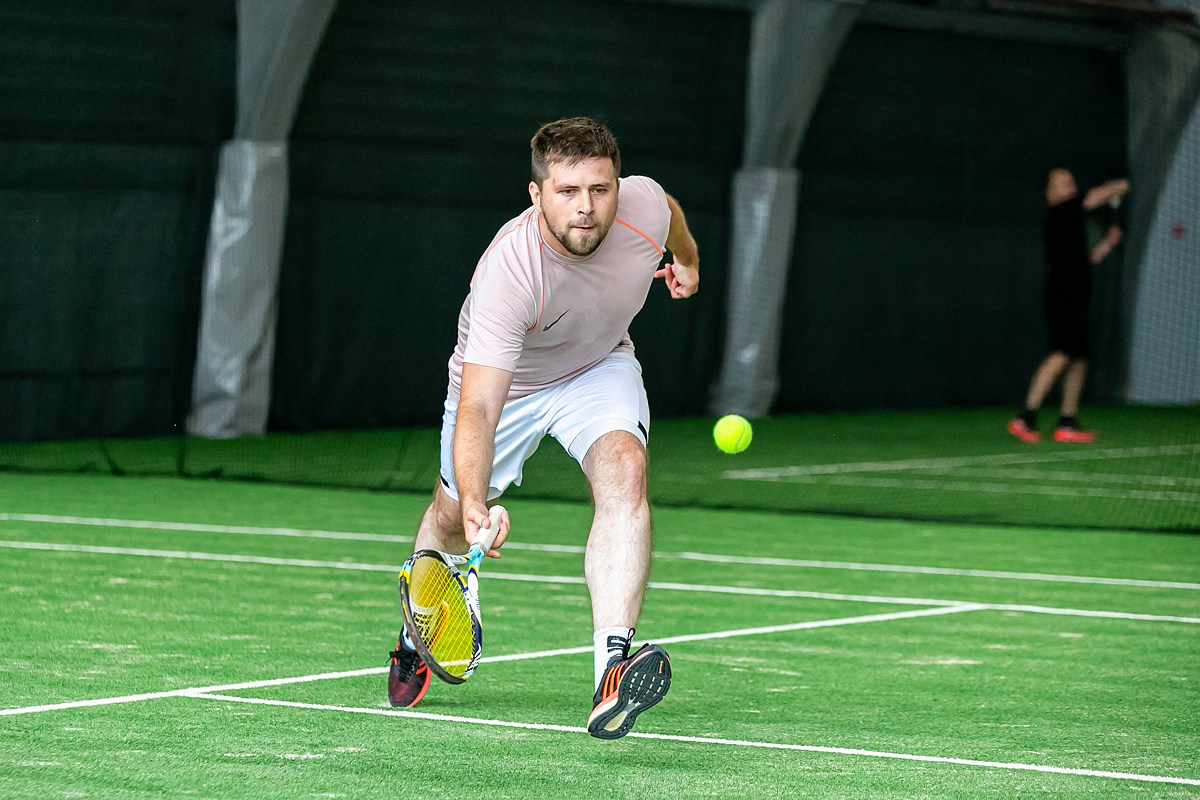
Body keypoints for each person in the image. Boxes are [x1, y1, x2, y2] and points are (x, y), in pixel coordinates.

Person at [386, 117, 699, 740]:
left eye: (600, 189)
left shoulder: (640, 205)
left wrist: (686, 261)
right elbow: (478, 408)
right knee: (450, 517)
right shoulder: (510, 270)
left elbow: (668, 211)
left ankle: (613, 669)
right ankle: (417, 629)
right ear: (537, 194)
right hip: (511, 383)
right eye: (567, 192)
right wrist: (476, 504)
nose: (586, 208)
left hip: (598, 363)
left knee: (625, 472)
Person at [1008, 168, 1129, 444]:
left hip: (1077, 296)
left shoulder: (1071, 220)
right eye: (1063, 184)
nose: (1070, 187)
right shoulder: (1062, 211)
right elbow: (1098, 195)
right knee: (1062, 354)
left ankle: (1067, 424)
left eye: (1072, 181)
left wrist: (1109, 243)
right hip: (1062, 296)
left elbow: (1088, 259)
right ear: (1050, 193)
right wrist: (1119, 185)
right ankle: (1025, 418)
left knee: (1079, 359)